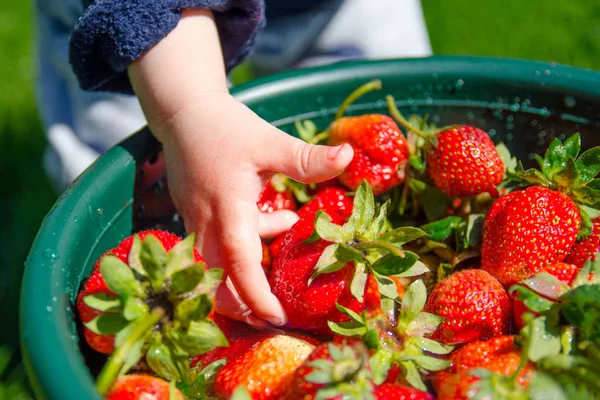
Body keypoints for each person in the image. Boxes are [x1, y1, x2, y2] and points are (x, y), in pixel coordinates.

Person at [35, 0, 432, 327]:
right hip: (136, 22)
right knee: (123, 156)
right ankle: (117, 282)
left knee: (364, 67)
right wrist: (192, 108)